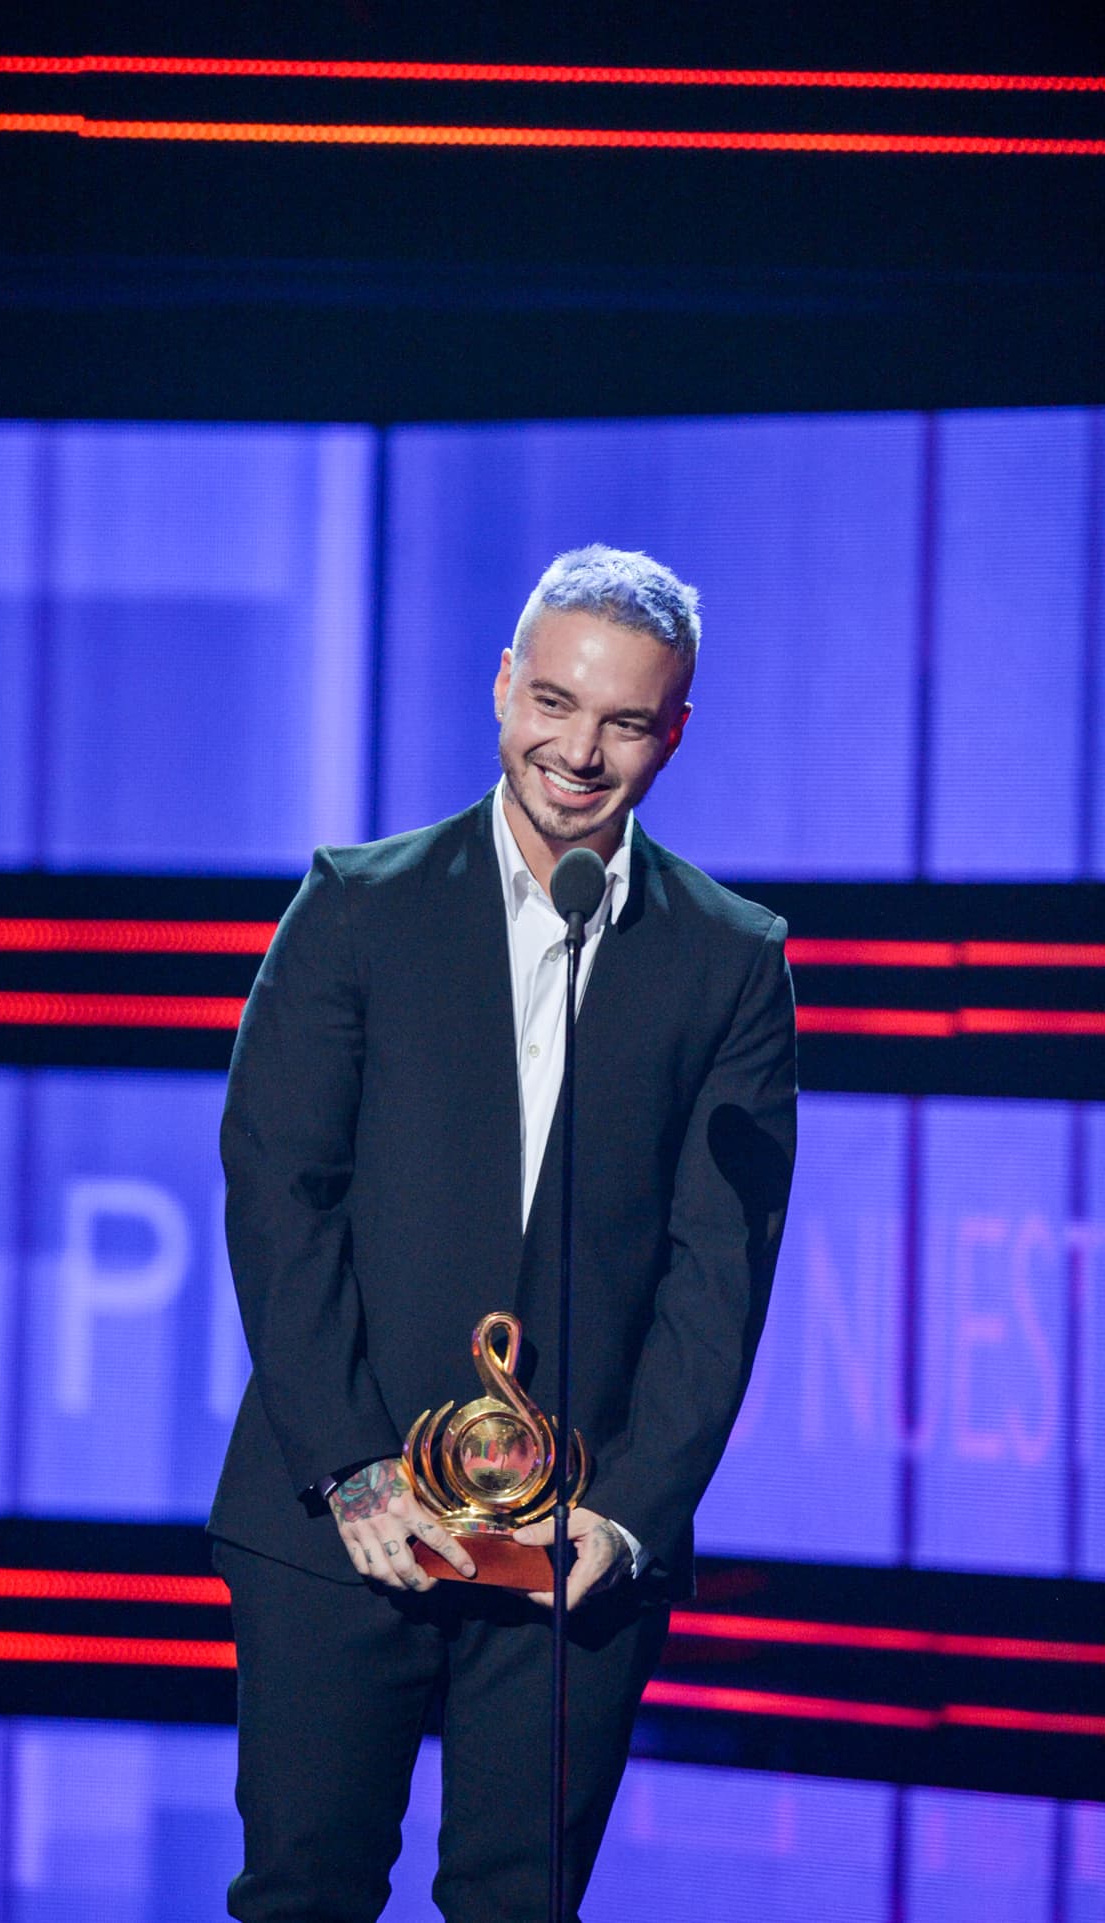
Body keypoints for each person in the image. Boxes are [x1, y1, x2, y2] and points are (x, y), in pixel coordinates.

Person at [210, 544, 797, 1922]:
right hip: (342, 1523)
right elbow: (275, 1192)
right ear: (501, 691)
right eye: (553, 702)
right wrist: (354, 1465)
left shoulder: (730, 959)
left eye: (625, 722)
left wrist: (637, 1509)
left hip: (575, 1549)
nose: (578, 753)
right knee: (304, 1892)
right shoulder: (359, 905)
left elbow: (724, 1267)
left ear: (677, 731)